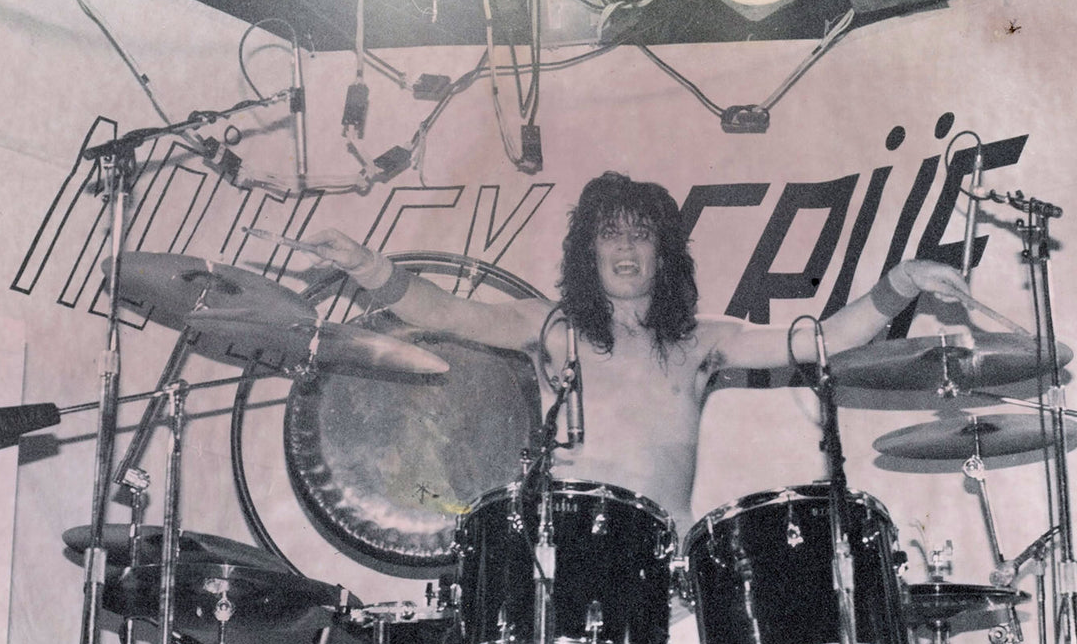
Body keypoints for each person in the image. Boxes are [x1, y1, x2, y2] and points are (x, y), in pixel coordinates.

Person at [305, 171, 968, 535]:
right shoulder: (551, 326)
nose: (625, 248)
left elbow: (827, 339)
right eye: (610, 235)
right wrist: (368, 268)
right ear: (588, 253)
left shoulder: (704, 340)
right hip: (561, 551)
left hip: (670, 560)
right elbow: (444, 312)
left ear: (663, 254)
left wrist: (901, 283)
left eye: (641, 236)